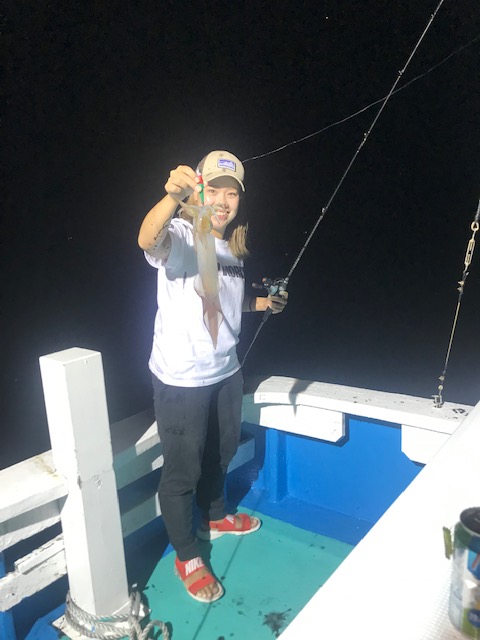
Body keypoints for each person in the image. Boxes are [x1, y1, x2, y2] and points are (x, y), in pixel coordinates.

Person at [138, 150, 288, 603]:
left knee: (222, 453)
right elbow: (147, 240)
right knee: (182, 470)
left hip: (226, 371)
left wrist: (265, 304)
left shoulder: (233, 248)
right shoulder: (183, 236)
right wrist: (171, 198)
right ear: (199, 192)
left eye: (232, 193)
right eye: (214, 190)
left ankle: (216, 516)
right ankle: (187, 554)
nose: (223, 201)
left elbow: (224, 300)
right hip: (182, 378)